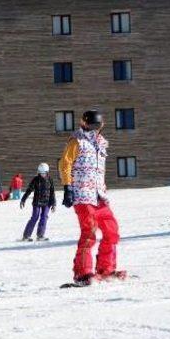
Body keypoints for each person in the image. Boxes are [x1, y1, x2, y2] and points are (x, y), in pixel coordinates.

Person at [59, 109, 125, 286]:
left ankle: (106, 269)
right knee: (89, 232)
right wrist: (67, 187)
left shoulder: (101, 144)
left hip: (99, 195)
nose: (93, 128)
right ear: (83, 123)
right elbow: (65, 164)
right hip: (82, 195)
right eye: (90, 125)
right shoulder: (76, 142)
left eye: (97, 125)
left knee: (112, 231)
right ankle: (83, 273)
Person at [20, 163, 56, 241]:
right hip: (37, 202)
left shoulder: (50, 180)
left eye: (44, 173)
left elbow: (52, 192)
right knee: (35, 217)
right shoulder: (36, 179)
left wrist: (53, 204)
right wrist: (23, 199)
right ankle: (26, 236)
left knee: (44, 217)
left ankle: (40, 235)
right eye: (40, 173)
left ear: (47, 172)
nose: (42, 175)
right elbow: (29, 190)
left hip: (47, 202)